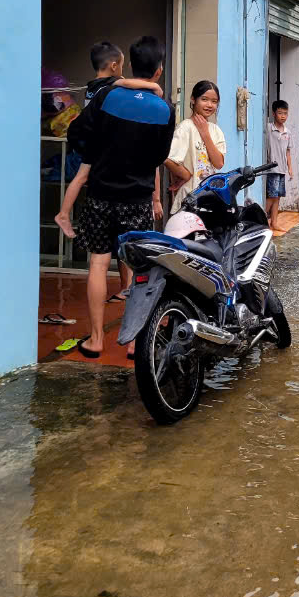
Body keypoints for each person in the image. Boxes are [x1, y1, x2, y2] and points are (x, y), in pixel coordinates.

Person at [65, 36, 176, 358]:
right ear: (158, 70)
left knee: (98, 263)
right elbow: (160, 155)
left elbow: (77, 133)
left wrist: (97, 158)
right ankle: (130, 342)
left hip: (100, 193)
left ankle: (96, 339)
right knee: (139, 270)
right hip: (138, 199)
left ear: (130, 62)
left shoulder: (107, 97)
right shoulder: (164, 109)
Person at [54, 42, 163, 242]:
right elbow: (127, 83)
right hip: (99, 145)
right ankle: (62, 214)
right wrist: (152, 86)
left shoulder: (91, 86)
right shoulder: (109, 85)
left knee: (81, 177)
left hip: (92, 141)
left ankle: (63, 212)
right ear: (114, 66)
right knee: (82, 176)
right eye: (121, 65)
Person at [164, 80, 227, 213]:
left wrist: (205, 134)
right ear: (193, 100)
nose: (209, 105)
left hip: (210, 198)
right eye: (204, 99)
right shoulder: (186, 127)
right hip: (189, 199)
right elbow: (168, 158)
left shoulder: (215, 130)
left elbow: (219, 163)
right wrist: (186, 176)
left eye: (214, 101)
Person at [264, 100, 294, 230]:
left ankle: (274, 223)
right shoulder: (268, 128)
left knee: (278, 197)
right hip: (272, 168)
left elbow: (288, 151)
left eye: (285, 113)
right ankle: (259, 220)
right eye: (280, 113)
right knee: (272, 195)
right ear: (273, 113)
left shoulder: (287, 132)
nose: (283, 116)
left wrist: (290, 168)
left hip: (282, 169)